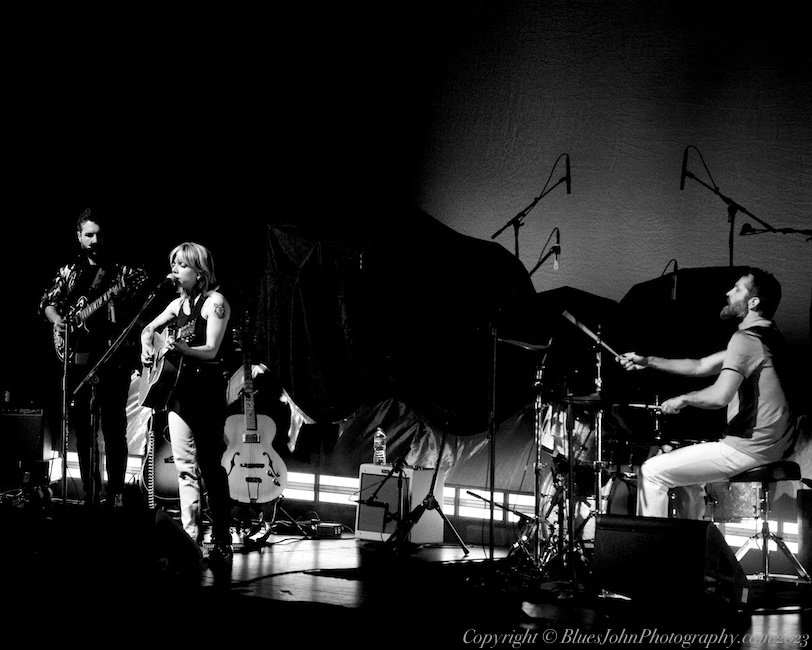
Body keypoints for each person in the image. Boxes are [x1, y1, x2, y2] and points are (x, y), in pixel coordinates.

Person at [618, 267, 797, 519]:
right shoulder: (769, 337)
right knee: (689, 481)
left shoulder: (745, 339)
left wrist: (684, 399)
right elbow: (701, 366)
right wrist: (648, 361)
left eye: (737, 289)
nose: (728, 293)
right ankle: (691, 539)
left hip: (750, 449)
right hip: (774, 448)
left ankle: (651, 544)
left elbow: (719, 397)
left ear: (753, 302)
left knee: (652, 472)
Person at [40, 209, 146, 507]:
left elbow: (138, 310)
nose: (95, 241)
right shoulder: (69, 271)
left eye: (99, 235)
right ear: (79, 236)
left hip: (113, 358)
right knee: (84, 430)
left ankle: (116, 492)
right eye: (89, 235)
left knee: (114, 428)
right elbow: (47, 302)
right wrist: (59, 321)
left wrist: (119, 300)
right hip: (78, 360)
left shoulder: (122, 272)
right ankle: (90, 490)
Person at [140, 242, 233, 564]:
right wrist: (147, 347)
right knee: (184, 468)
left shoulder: (215, 303)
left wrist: (184, 349)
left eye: (182, 265)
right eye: (174, 265)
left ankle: (221, 537)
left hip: (206, 394)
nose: (175, 271)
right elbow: (148, 328)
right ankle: (191, 537)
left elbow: (212, 349)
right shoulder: (177, 304)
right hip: (178, 394)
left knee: (210, 467)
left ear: (199, 271)